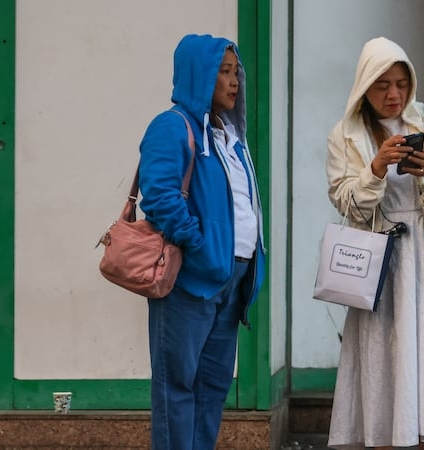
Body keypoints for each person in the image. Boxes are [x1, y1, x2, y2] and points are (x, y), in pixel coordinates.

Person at [325, 37, 424, 449]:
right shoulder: (346, 134)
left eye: (401, 83)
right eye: (382, 85)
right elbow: (347, 204)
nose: (393, 94)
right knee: (383, 372)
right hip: (381, 270)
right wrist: (375, 169)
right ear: (365, 86)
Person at [137, 34, 266, 450]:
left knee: (211, 391)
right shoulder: (171, 127)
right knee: (177, 389)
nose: (234, 82)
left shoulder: (230, 136)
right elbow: (159, 196)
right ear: (199, 75)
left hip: (232, 283)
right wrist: (201, 247)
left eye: (236, 72)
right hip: (190, 282)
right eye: (223, 72)